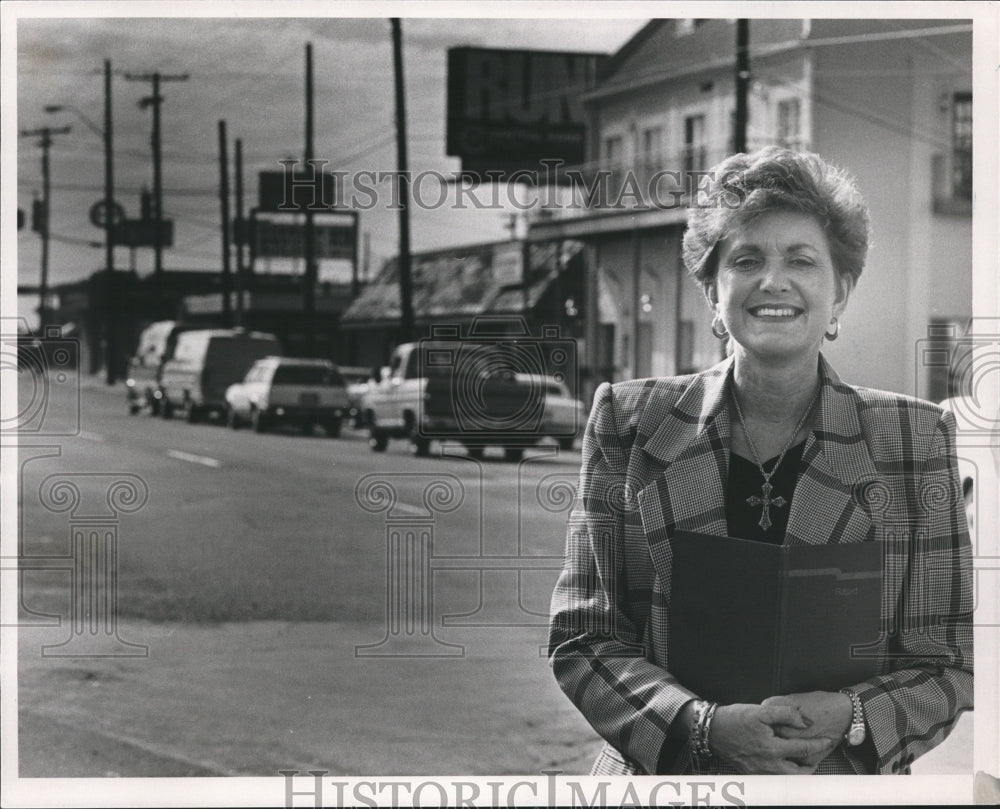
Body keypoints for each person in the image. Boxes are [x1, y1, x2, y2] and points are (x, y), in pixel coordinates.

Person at [547, 147, 973, 775]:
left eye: (802, 260)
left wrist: (851, 715)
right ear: (713, 293)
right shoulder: (631, 422)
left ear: (841, 291)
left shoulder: (914, 439)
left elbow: (948, 662)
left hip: (837, 786)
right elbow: (584, 635)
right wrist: (701, 727)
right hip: (667, 782)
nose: (773, 281)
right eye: (746, 260)